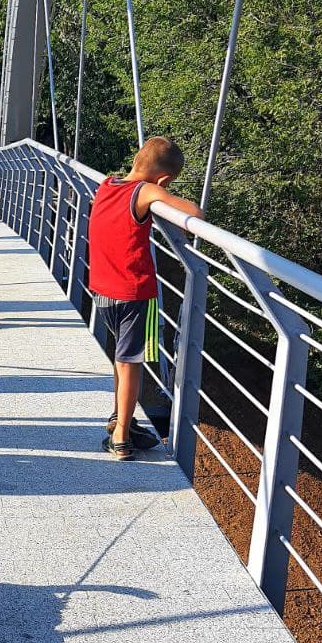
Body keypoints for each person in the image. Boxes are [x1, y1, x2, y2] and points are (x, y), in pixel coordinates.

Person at [88, 136, 202, 459]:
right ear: (163, 179)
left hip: (102, 291)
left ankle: (119, 416)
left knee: (120, 360)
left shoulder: (108, 184)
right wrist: (165, 201)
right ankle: (122, 437)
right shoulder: (147, 191)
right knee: (132, 363)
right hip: (134, 294)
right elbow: (195, 213)